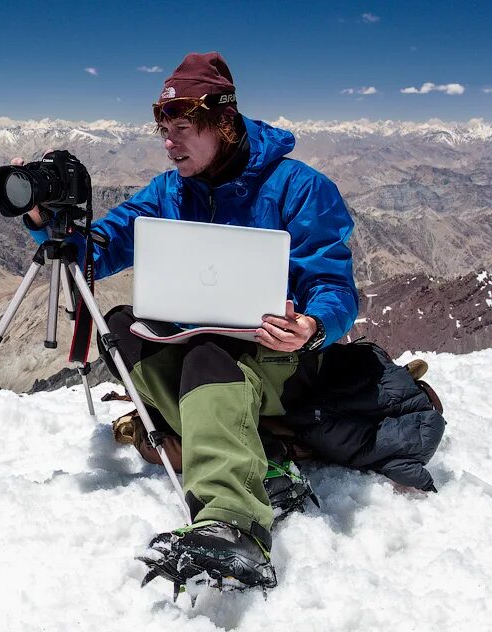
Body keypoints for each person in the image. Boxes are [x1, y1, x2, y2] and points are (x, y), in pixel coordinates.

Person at [19, 51, 361, 593]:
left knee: (205, 358)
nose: (169, 143)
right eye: (164, 131)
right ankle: (262, 459)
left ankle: (233, 526)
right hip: (208, 345)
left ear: (222, 125)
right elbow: (98, 250)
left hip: (281, 357)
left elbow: (336, 289)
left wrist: (312, 325)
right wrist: (47, 222)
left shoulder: (299, 188)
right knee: (123, 330)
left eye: (181, 129)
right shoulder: (169, 192)